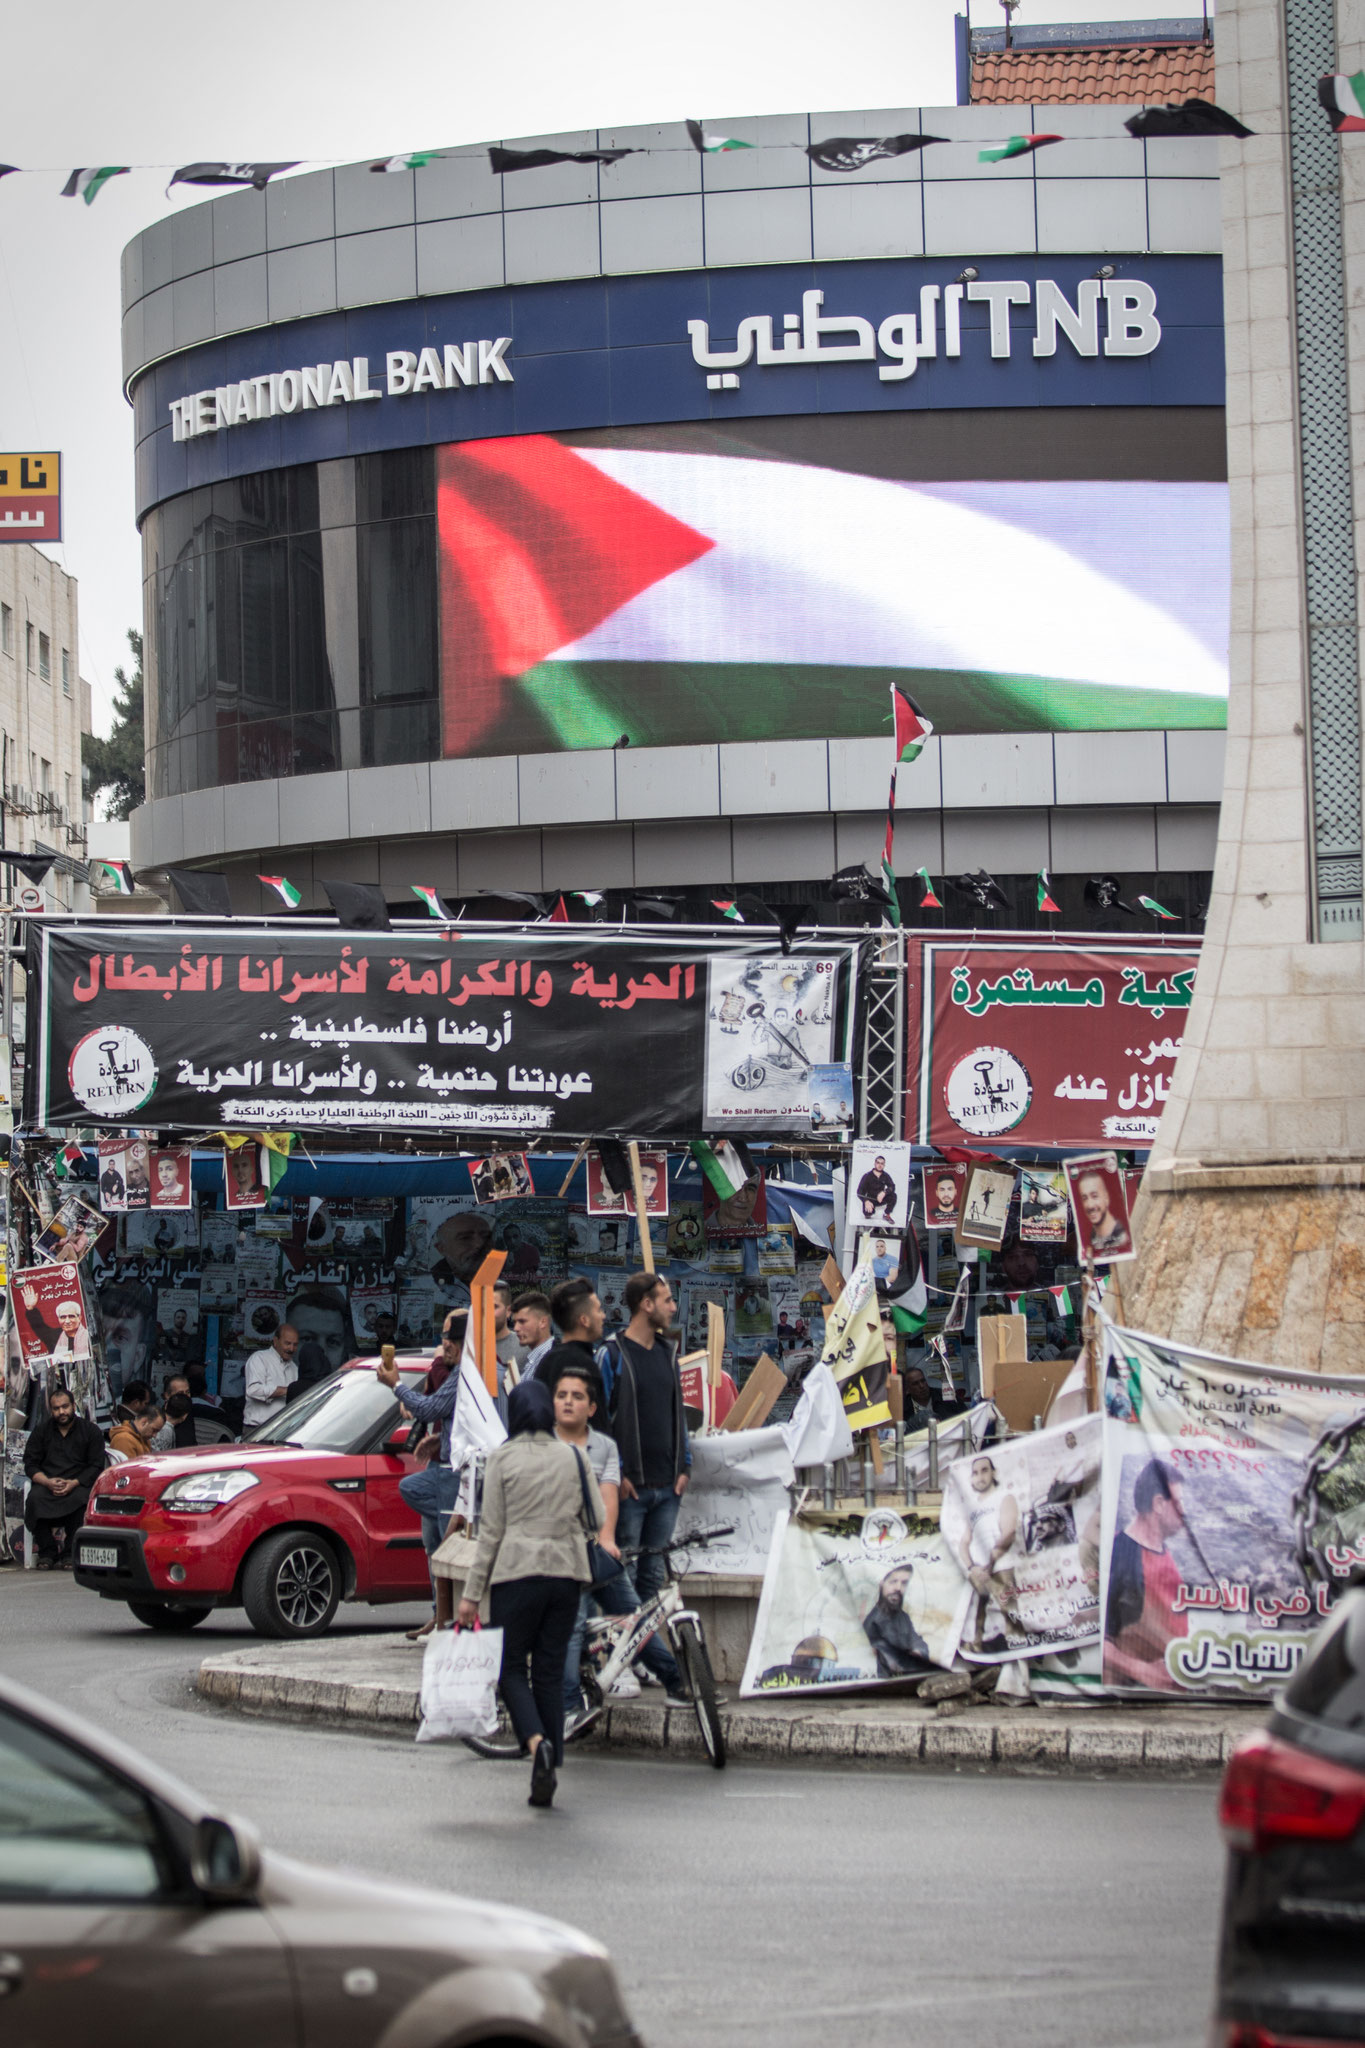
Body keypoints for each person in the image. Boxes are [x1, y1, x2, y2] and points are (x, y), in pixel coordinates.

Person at [458, 1380, 604, 1810]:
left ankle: (536, 1742)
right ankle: (551, 1762)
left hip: (514, 1576)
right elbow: (595, 1518)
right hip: (564, 1577)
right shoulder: (574, 1457)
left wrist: (470, 1595)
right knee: (549, 1669)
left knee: (509, 1671)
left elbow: (491, 1535)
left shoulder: (501, 1459)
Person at [552, 1359, 684, 1725]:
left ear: (591, 1408)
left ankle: (678, 1683)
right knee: (573, 1626)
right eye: (561, 1395)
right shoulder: (544, 1445)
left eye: (577, 1397)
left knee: (635, 1617)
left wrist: (607, 1539)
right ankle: (567, 1709)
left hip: (596, 1551)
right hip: (560, 1557)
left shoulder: (605, 1446)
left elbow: (609, 1493)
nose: (567, 1402)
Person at [601, 1274, 691, 1629]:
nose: (673, 1307)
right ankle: (623, 1657)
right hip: (630, 1489)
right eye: (666, 1300)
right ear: (646, 1304)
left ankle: (643, 1653)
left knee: (653, 1576)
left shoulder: (669, 1353)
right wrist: (616, 1474)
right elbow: (600, 1423)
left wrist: (685, 1466)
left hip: (668, 1488)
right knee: (624, 1572)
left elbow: (678, 1412)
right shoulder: (613, 1355)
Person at [377, 1310, 469, 1640]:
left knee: (449, 1547)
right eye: (442, 1336)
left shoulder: (466, 1372)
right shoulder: (445, 1368)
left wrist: (396, 1384)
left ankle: (454, 1621)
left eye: (449, 1337)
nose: (442, 1344)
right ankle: (439, 1616)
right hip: (441, 1458)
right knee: (434, 1545)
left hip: (455, 1470)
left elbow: (429, 1408)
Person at [1105, 1459, 1187, 1690]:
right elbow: (1096, 1637)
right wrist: (1141, 1671)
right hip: (1133, 1697)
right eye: (1179, 1503)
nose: (1184, 1512)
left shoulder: (1163, 1550)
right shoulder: (1122, 1554)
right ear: (1159, 1504)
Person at [24, 1386, 105, 1567]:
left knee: (82, 1501)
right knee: (34, 1500)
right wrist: (47, 1482)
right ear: (50, 1410)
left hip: (77, 1485)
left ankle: (70, 1553)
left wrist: (74, 1483)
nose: (61, 1412)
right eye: (56, 1408)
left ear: (73, 1406)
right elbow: (30, 1464)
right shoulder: (41, 1431)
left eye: (65, 1406)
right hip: (48, 1485)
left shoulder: (90, 1431)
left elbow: (96, 1465)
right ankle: (47, 1552)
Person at [955, 1455, 1021, 1654]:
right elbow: (964, 1542)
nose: (980, 1476)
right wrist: (972, 1567)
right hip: (978, 1570)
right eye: (975, 1473)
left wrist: (990, 1563)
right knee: (976, 1613)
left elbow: (1008, 1532)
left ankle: (1017, 1654)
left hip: (1001, 1565)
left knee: (1010, 1611)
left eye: (984, 1470)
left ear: (993, 1472)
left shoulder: (1004, 1497)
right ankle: (976, 1647)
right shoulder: (972, 1507)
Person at [539, 1278, 607, 1406]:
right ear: (584, 1320)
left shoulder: (548, 1361)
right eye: (598, 1310)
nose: (603, 1316)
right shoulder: (584, 1366)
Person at [862, 1565, 933, 1678]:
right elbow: (882, 1654)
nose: (898, 1588)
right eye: (893, 1582)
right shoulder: (873, 1620)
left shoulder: (903, 1617)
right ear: (882, 1584)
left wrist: (918, 1651)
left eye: (904, 1583)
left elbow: (917, 1642)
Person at [242, 1325, 300, 1431]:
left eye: (295, 1345)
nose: (291, 1349)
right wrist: (287, 1390)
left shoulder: (294, 1368)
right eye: (287, 1343)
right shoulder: (259, 1358)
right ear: (275, 1341)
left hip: (282, 1430)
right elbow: (253, 1390)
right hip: (257, 1429)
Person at [1073, 1168, 1132, 1260]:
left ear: (1106, 1198)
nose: (1090, 1205)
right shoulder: (1090, 1239)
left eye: (1094, 1196)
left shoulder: (1123, 1237)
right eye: (1085, 1198)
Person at [902, 1364, 967, 1423]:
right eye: (915, 1384)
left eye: (923, 1381)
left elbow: (966, 1416)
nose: (921, 1386)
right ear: (908, 1389)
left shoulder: (946, 1397)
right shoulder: (903, 1407)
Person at [512, 1292, 555, 1378]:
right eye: (514, 1322)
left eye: (522, 1321)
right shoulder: (537, 1358)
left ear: (543, 1322)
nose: (516, 1328)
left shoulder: (550, 1360)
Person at [856, 1154, 898, 1221]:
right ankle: (870, 1211)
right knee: (867, 1214)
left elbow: (892, 1186)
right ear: (875, 1163)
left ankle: (886, 1214)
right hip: (870, 1199)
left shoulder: (886, 1175)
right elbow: (859, 1192)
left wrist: (884, 1192)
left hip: (881, 1199)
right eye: (878, 1163)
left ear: (884, 1165)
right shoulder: (867, 1176)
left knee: (893, 1196)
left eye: (882, 1163)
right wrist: (866, 1201)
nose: (880, 1165)